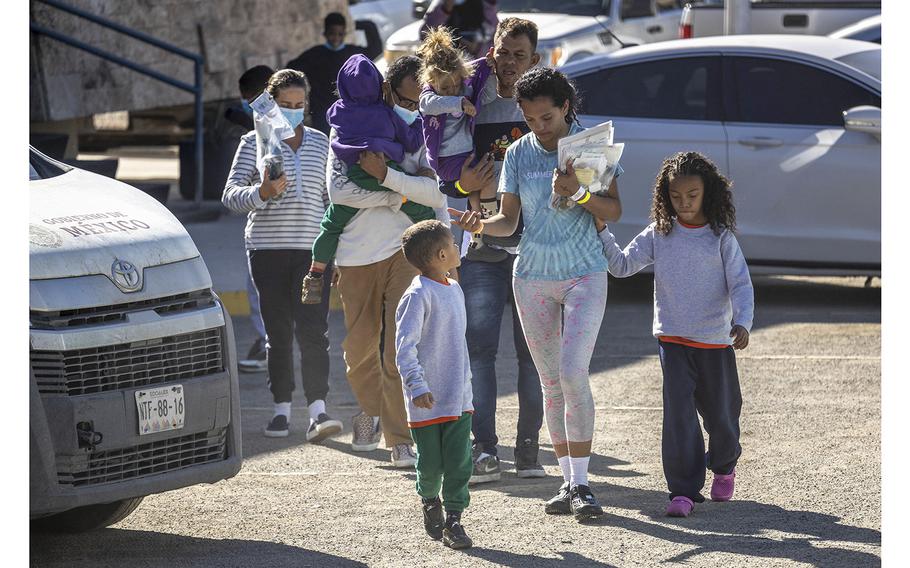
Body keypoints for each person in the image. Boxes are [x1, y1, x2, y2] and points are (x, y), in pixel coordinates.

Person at [449, 67, 622, 521]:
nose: (539, 128)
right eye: (529, 119)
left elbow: (614, 209)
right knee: (550, 382)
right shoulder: (519, 153)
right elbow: (508, 222)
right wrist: (479, 225)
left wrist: (581, 194)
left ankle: (583, 484)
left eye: (546, 117)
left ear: (565, 107)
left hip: (586, 271)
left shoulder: (589, 146)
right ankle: (568, 483)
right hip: (531, 274)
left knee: (571, 373)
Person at [596, 151, 754, 518]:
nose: (683, 203)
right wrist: (602, 229)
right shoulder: (660, 233)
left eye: (692, 195)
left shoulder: (720, 237)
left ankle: (725, 463)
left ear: (708, 192)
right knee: (679, 416)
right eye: (676, 196)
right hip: (673, 341)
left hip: (715, 342)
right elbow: (621, 266)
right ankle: (682, 490)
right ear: (665, 196)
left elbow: (742, 285)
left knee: (723, 419)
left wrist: (743, 321)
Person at [437, 17, 544, 484]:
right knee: (479, 350)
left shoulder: (546, 101)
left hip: (537, 248)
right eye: (503, 53)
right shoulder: (471, 92)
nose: (509, 64)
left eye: (520, 56)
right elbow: (445, 169)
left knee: (533, 355)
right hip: (481, 245)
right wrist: (465, 185)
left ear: (534, 60)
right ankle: (484, 449)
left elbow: (578, 163)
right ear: (492, 50)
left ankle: (529, 451)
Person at [327, 55, 448, 467]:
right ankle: (370, 411)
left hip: (403, 249)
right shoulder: (343, 128)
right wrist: (396, 195)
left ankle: (399, 438)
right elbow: (339, 193)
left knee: (399, 347)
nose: (411, 107)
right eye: (404, 98)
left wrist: (390, 179)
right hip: (355, 256)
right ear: (386, 90)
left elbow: (433, 194)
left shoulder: (411, 134)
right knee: (358, 347)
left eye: (418, 101)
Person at [222, 69, 342, 442]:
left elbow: (330, 203)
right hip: (267, 250)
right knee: (277, 333)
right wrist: (261, 193)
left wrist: (333, 254)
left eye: (298, 105)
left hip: (312, 254)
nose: (292, 111)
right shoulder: (253, 142)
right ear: (270, 103)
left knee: (313, 331)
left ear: (306, 105)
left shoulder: (322, 142)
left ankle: (318, 412)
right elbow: (230, 196)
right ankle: (280, 410)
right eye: (284, 105)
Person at [301, 54, 433, 304]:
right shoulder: (385, 113)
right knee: (424, 213)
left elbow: (338, 192)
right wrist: (398, 195)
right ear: (382, 86)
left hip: (354, 171)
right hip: (384, 168)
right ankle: (440, 259)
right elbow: (413, 142)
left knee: (330, 225)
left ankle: (315, 273)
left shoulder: (337, 113)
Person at [395, 220, 474, 550]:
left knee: (459, 462)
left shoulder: (453, 286)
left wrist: (472, 228)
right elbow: (404, 347)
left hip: (459, 397)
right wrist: (417, 386)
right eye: (454, 245)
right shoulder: (417, 296)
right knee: (430, 467)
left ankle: (454, 519)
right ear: (442, 254)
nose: (458, 249)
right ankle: (430, 500)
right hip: (426, 400)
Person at [417, 27, 497, 236]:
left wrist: (489, 72)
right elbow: (429, 104)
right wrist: (459, 102)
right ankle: (484, 230)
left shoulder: (462, 88)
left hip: (465, 155)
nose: (452, 90)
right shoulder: (431, 95)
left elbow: (485, 97)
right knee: (483, 182)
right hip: (447, 160)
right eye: (445, 88)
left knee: (481, 186)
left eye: (456, 84)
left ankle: (482, 229)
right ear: (432, 82)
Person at [222, 64, 274, 373]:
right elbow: (232, 194)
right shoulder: (262, 130)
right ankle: (268, 343)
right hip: (271, 225)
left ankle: (268, 344)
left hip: (275, 231)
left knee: (260, 290)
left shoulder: (275, 129)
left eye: (248, 99)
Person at [285, 12, 382, 135]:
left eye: (340, 34)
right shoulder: (314, 55)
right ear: (325, 33)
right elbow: (291, 68)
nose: (336, 37)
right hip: (322, 114)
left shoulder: (353, 53)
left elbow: (376, 49)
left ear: (345, 34)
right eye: (332, 33)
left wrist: (361, 25)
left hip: (348, 112)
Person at [421, 0, 498, 58]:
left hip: (477, 67)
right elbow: (424, 34)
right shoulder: (441, 5)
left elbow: (497, 42)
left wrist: (477, 48)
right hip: (447, 66)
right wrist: (446, 10)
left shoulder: (486, 7)